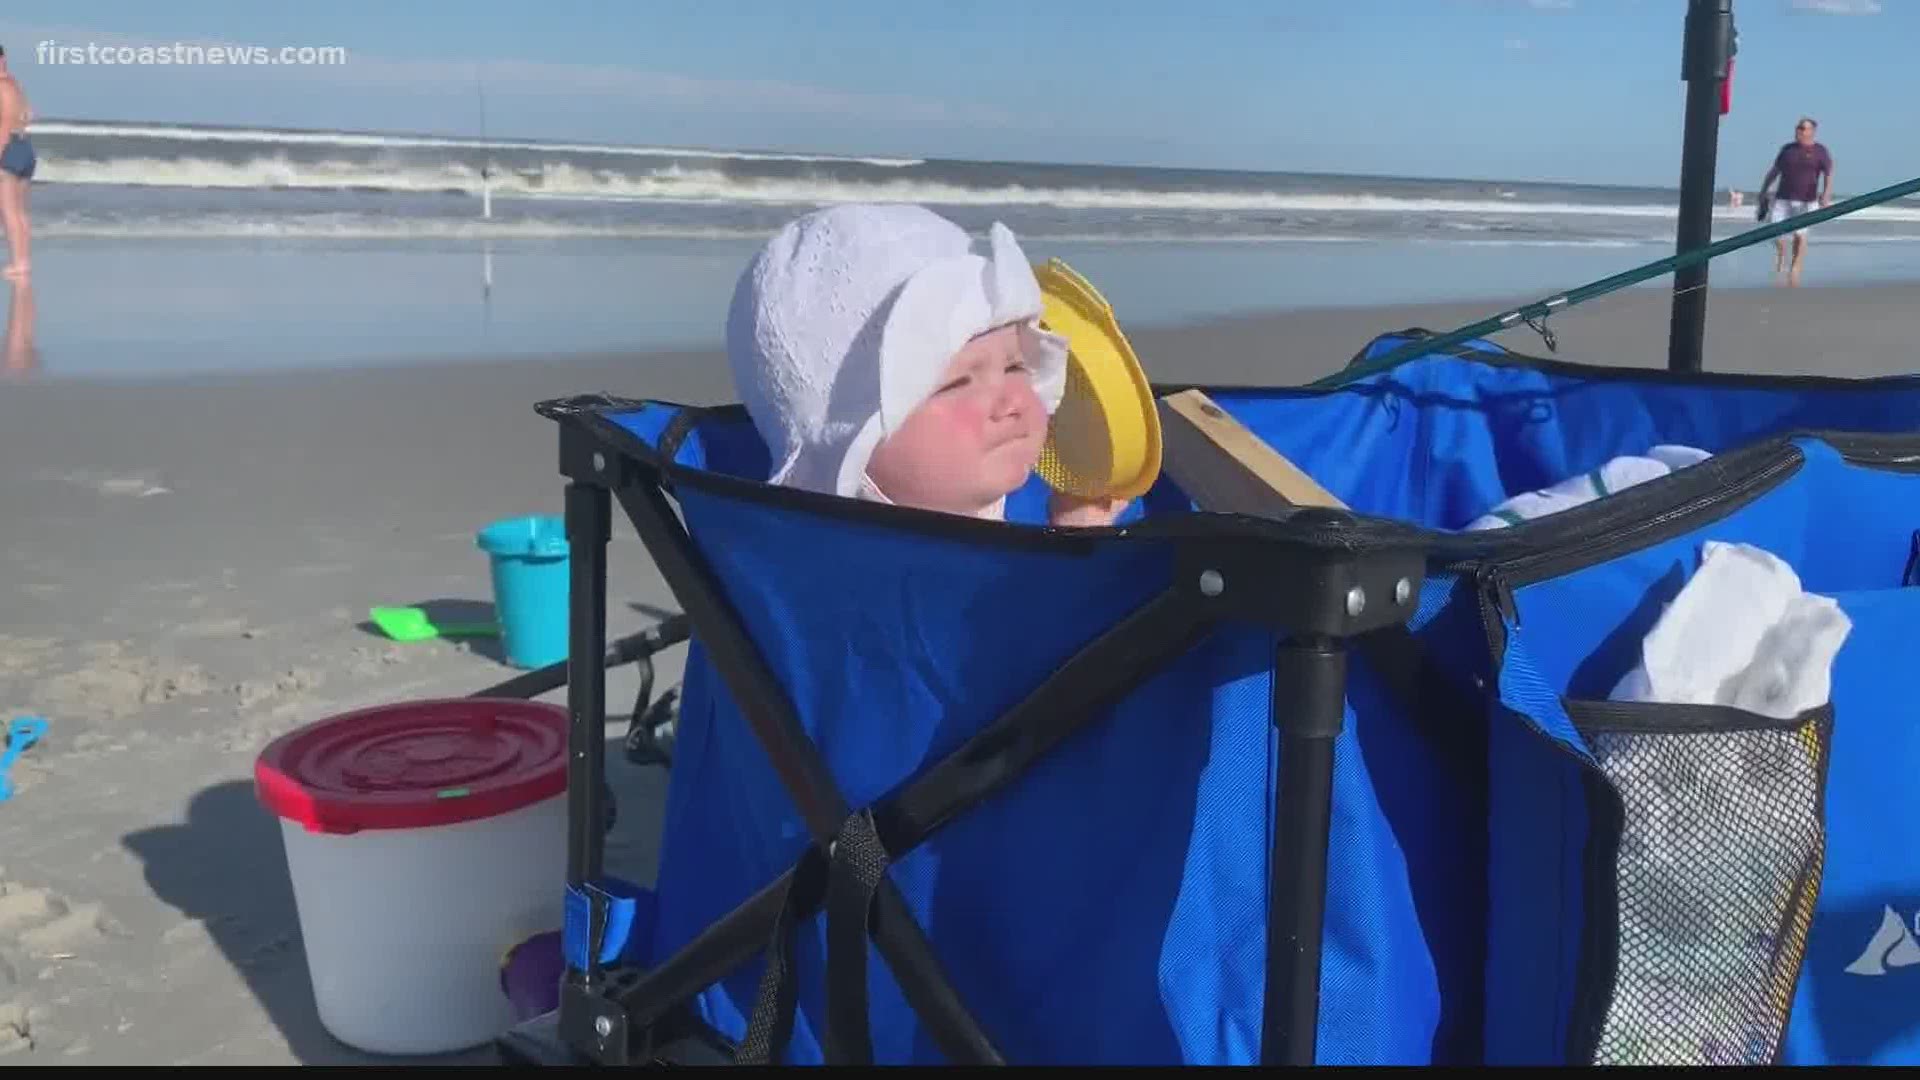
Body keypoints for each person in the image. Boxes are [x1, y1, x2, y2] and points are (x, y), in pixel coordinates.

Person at [727, 203, 1126, 527]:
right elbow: (1016, 622)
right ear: (849, 438)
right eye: (956, 383)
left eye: (1017, 367)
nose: (1014, 402)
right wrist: (1079, 543)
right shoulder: (861, 569)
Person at [1758, 117, 1833, 287]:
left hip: (1807, 200)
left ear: (1812, 131)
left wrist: (1826, 195)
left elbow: (1828, 174)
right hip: (1782, 198)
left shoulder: (1820, 151)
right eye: (1797, 127)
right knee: (1775, 232)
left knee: (1800, 235)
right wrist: (1763, 190)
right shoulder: (1787, 150)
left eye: (1802, 128)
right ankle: (1781, 258)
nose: (1798, 130)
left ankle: (1795, 267)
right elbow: (1774, 171)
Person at [0, 44, 35, 280]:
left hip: (9, 147)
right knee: (20, 211)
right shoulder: (15, 84)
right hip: (24, 146)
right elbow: (29, 114)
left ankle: (18, 263)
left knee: (8, 211)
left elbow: (3, 122)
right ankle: (24, 261)